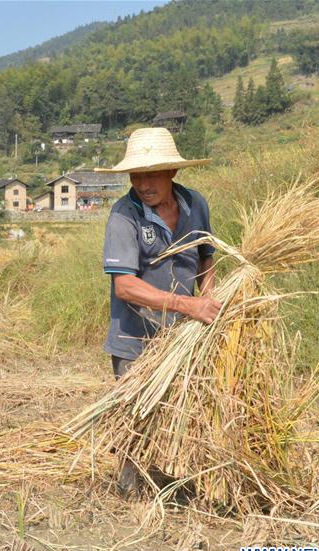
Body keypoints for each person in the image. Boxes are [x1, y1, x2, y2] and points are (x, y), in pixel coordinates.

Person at [96, 127, 222, 496]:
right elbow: (126, 285)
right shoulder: (124, 216)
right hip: (137, 339)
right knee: (136, 417)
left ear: (172, 173)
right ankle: (130, 493)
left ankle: (173, 486)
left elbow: (206, 255)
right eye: (137, 175)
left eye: (152, 174)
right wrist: (189, 304)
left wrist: (209, 299)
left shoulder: (195, 204)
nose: (143, 183)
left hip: (183, 335)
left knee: (181, 413)